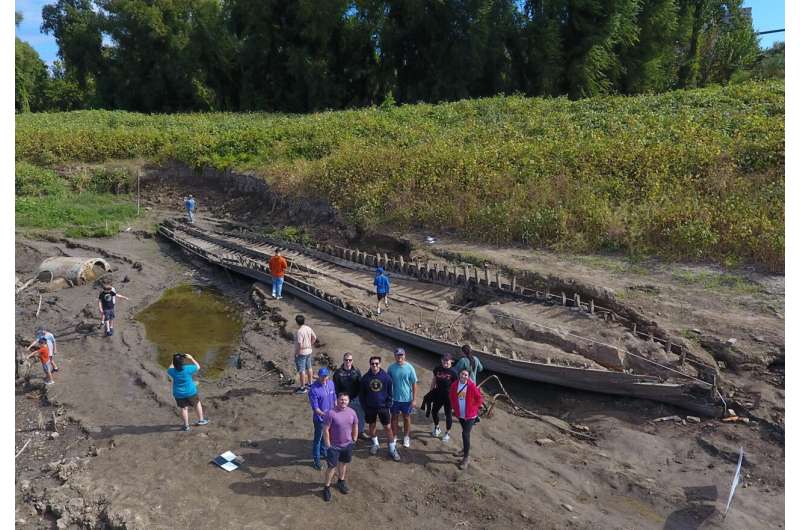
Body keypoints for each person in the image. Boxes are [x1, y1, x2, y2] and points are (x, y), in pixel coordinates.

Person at [360, 356, 399, 461]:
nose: (374, 365)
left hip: (383, 408)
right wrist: (365, 407)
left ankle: (392, 449)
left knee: (388, 428)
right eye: (372, 363)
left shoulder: (386, 377)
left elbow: (391, 393)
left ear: (380, 364)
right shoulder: (365, 378)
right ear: (370, 364)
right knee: (372, 426)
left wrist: (388, 404)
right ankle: (375, 444)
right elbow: (362, 395)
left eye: (376, 363)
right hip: (370, 408)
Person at [321, 392, 358, 502]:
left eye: (345, 400)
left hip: (347, 444)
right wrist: (327, 444)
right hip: (334, 446)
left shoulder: (352, 412)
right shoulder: (330, 413)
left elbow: (355, 424)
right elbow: (326, 429)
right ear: (337, 400)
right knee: (331, 467)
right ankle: (326, 487)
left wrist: (354, 438)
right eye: (341, 399)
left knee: (343, 463)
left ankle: (341, 481)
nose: (343, 402)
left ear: (348, 401)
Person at [449, 368, 484, 470]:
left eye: (466, 375)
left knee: (465, 434)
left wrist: (474, 407)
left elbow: (479, 398)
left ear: (468, 377)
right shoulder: (454, 385)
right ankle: (464, 450)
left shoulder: (471, 386)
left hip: (470, 415)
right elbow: (451, 396)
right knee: (464, 432)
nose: (464, 376)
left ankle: (466, 457)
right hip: (460, 414)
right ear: (459, 375)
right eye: (462, 374)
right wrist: (453, 407)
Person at [166, 353, 209, 431]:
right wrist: (191, 358)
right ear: (182, 362)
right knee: (197, 404)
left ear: (174, 363)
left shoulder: (171, 371)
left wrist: (173, 361)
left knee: (184, 408)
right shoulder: (188, 368)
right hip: (191, 392)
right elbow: (198, 367)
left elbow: (170, 367)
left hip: (178, 393)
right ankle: (201, 420)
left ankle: (186, 426)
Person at [387, 347, 417, 449]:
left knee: (406, 418)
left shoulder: (410, 367)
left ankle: (406, 437)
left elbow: (414, 383)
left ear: (404, 356)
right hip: (394, 399)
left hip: (407, 399)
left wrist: (414, 399)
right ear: (395, 356)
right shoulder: (391, 368)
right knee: (394, 418)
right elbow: (388, 383)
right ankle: (394, 436)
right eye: (397, 355)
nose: (399, 357)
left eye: (401, 355)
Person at [308, 367, 336, 470]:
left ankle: (323, 452)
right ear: (318, 376)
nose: (324, 378)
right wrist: (325, 415)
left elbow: (334, 398)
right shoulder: (313, 390)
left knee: (327, 436)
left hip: (330, 417)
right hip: (320, 419)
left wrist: (336, 410)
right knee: (318, 439)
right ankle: (316, 460)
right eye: (322, 376)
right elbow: (315, 408)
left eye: (326, 376)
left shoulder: (331, 384)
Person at [333, 352, 365, 438]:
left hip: (356, 398)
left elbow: (361, 384)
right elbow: (335, 387)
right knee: (345, 417)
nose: (348, 362)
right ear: (343, 360)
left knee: (360, 415)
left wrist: (362, 396)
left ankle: (360, 432)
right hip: (344, 399)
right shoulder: (338, 373)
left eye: (350, 360)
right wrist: (337, 399)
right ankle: (347, 434)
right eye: (346, 360)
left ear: (352, 361)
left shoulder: (356, 371)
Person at [429, 353, 458, 442]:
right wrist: (431, 392)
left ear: (451, 361)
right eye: (444, 360)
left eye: (447, 360)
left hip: (448, 397)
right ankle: (437, 427)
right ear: (442, 360)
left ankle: (447, 433)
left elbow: (456, 386)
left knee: (448, 414)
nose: (445, 362)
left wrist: (455, 398)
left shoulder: (454, 372)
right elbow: (434, 380)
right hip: (438, 394)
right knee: (434, 411)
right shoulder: (437, 369)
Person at [294, 314, 317, 394]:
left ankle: (303, 387)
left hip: (302, 352)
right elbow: (314, 337)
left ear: (297, 322)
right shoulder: (308, 328)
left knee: (302, 370)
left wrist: (297, 353)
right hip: (309, 351)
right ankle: (310, 384)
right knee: (309, 367)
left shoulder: (299, 331)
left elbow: (299, 344)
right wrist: (310, 344)